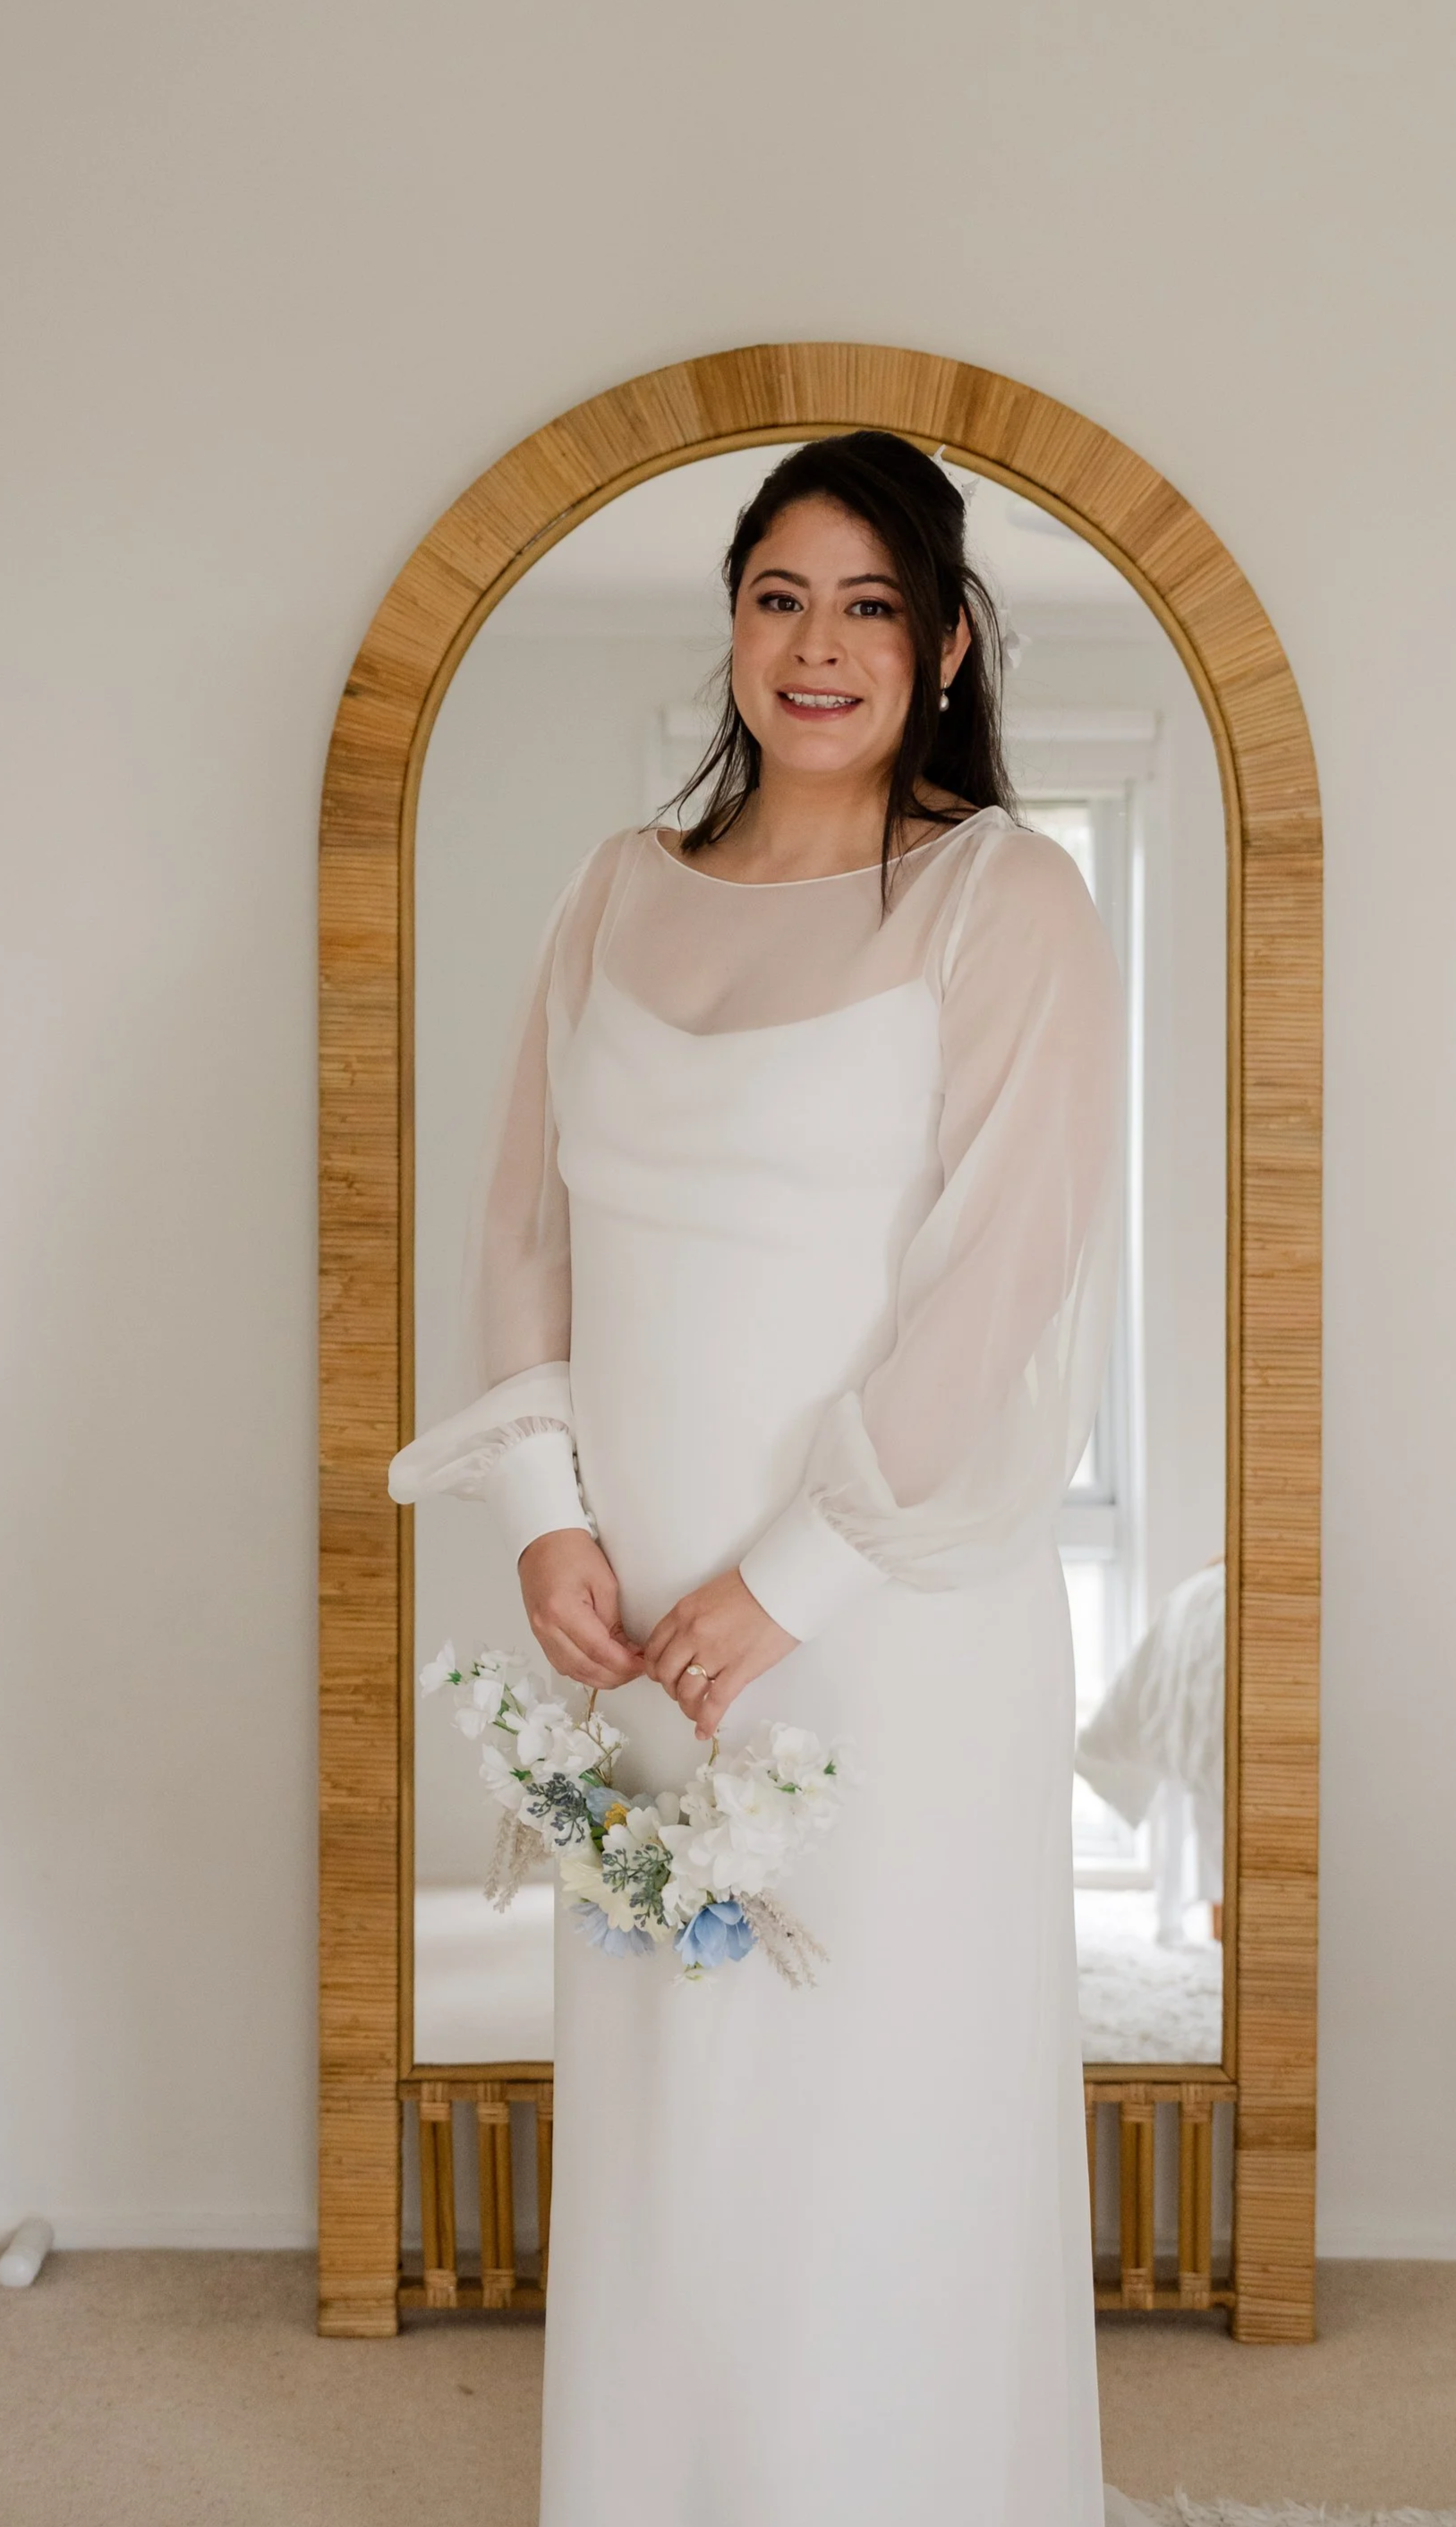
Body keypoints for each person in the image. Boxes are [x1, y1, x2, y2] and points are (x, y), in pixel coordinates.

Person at [389, 431, 1123, 2527]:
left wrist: (788, 1578)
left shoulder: (1008, 897)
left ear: (946, 642)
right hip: (629, 1626)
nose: (817, 647)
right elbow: (521, 1228)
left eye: (869, 604)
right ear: (729, 624)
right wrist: (542, 1511)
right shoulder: (612, 890)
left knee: (870, 2121)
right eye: (778, 597)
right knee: (675, 2128)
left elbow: (997, 1287)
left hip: (879, 1633)